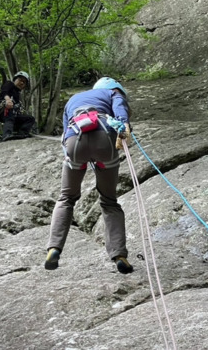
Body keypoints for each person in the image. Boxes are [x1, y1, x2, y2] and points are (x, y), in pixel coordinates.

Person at [45, 77, 133, 274]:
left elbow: (65, 130)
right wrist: (124, 126)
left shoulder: (74, 99)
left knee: (66, 197)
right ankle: (119, 255)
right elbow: (120, 109)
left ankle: (54, 248)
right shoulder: (113, 93)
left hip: (75, 141)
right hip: (104, 141)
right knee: (109, 201)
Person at [0, 71, 36, 141]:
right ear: (15, 79)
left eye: (24, 82)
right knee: (10, 114)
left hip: (12, 114)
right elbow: (4, 92)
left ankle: (22, 133)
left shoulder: (17, 94)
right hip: (4, 109)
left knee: (30, 119)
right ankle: (7, 135)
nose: (22, 83)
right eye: (20, 80)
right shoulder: (9, 84)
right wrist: (8, 100)